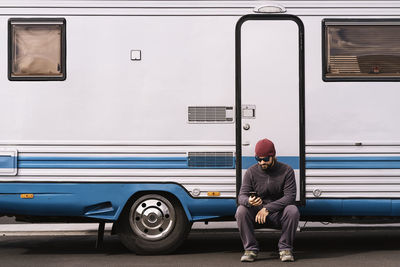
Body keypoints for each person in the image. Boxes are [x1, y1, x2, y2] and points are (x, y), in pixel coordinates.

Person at [235, 138, 300, 262]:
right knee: (241, 210)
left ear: (273, 156)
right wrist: (249, 201)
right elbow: (241, 196)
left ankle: (285, 248)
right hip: (257, 215)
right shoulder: (251, 172)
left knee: (292, 210)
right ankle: (250, 249)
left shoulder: (287, 171)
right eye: (258, 159)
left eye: (265, 159)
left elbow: (290, 197)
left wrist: (267, 209)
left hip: (277, 214)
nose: (261, 162)